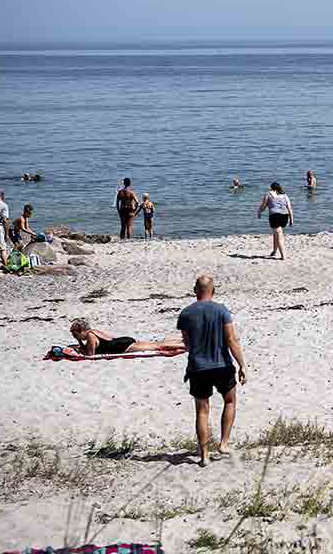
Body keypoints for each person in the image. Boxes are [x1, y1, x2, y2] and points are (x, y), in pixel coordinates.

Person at [177, 275, 247, 467]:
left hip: (198, 367)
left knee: (202, 411)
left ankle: (204, 455)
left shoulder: (186, 313)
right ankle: (224, 443)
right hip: (222, 365)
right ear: (213, 290)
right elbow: (232, 340)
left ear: (195, 290)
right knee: (230, 401)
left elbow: (188, 344)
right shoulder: (222, 310)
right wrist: (242, 364)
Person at [69, 319, 183, 356]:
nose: (74, 336)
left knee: (157, 347)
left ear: (81, 331)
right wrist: (80, 341)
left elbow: (90, 354)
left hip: (121, 346)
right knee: (156, 343)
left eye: (75, 334)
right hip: (122, 340)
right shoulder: (93, 331)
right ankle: (182, 342)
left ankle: (186, 345)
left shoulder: (90, 336)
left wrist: (79, 344)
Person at [256, 182, 293, 260]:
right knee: (276, 233)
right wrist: (291, 220)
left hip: (275, 216)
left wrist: (259, 212)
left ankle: (283, 256)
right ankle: (274, 251)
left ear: (271, 188)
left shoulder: (268, 194)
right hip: (284, 216)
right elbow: (289, 208)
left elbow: (263, 206)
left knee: (279, 236)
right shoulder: (285, 195)